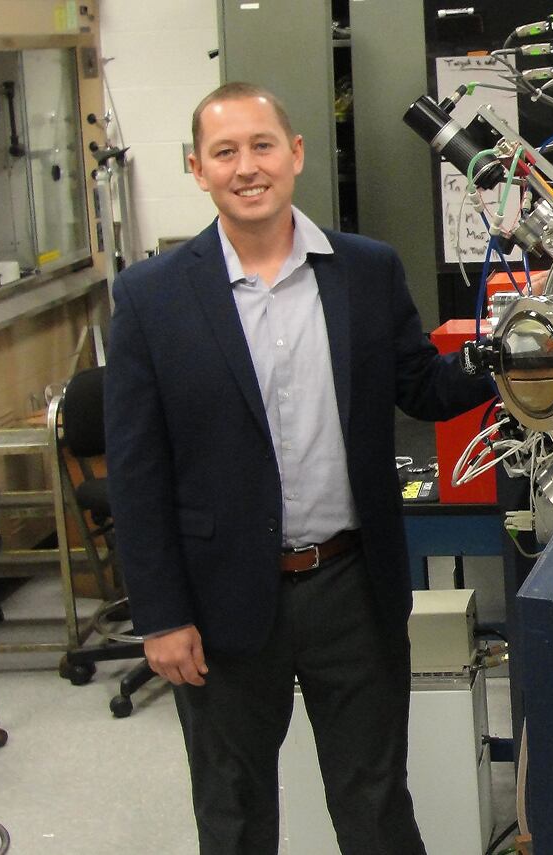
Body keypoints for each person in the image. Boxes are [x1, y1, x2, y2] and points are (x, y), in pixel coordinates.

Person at [104, 82, 494, 855]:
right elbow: (136, 470)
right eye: (225, 152)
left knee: (375, 800)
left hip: (350, 585)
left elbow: (421, 384)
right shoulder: (152, 297)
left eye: (262, 146)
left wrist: (517, 350)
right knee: (234, 809)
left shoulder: (365, 270)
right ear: (197, 168)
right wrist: (160, 613)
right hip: (217, 601)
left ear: (297, 154)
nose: (247, 166)